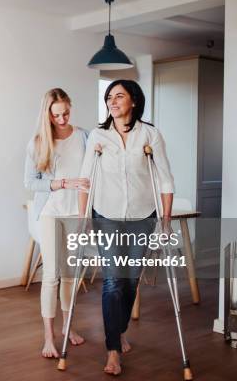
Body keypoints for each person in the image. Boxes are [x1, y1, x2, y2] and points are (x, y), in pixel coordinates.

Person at [78, 80, 175, 375]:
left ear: (134, 100)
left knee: (131, 279)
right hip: (106, 215)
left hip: (142, 216)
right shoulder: (98, 135)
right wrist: (83, 218)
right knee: (112, 281)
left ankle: (118, 330)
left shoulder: (150, 134)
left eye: (119, 96)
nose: (112, 101)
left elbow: (165, 178)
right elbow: (86, 179)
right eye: (109, 97)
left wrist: (166, 220)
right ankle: (113, 351)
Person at [24, 88, 90, 358]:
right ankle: (48, 337)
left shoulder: (84, 136)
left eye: (65, 113)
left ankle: (68, 328)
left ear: (70, 108)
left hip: (76, 212)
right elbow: (30, 183)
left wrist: (88, 214)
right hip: (50, 212)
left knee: (70, 274)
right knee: (52, 273)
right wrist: (62, 183)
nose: (62, 119)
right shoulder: (39, 142)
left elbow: (91, 174)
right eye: (56, 115)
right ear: (48, 115)